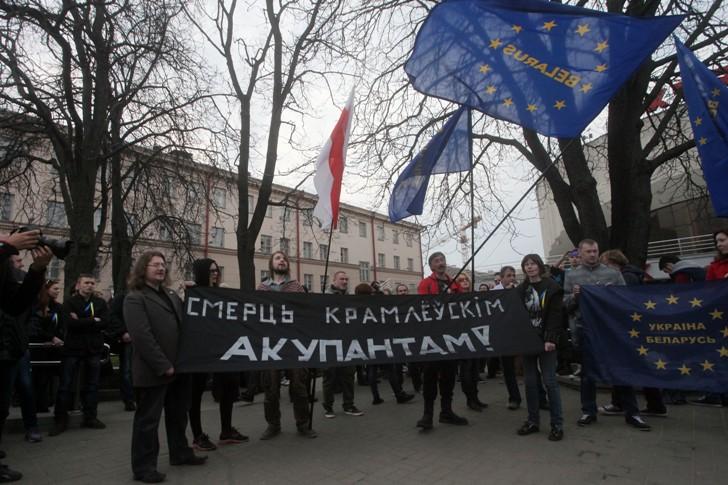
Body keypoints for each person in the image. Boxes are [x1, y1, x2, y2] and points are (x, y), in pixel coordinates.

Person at [125, 251, 207, 483]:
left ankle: (180, 453)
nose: (161, 268)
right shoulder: (135, 297)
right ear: (143, 268)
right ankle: (143, 467)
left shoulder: (170, 294)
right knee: (148, 421)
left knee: (178, 414)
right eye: (155, 265)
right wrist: (163, 365)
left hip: (180, 368)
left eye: (163, 265)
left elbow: (187, 320)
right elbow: (142, 336)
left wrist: (195, 293)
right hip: (155, 370)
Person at [564, 239, 650, 431]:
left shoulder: (613, 273)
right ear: (580, 253)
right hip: (586, 330)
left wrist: (613, 294)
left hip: (612, 331)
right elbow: (565, 305)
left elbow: (626, 301)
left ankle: (633, 413)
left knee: (621, 371)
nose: (592, 255)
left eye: (595, 251)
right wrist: (575, 296)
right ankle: (588, 410)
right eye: (588, 252)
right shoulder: (571, 276)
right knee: (588, 374)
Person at [0, 229, 50, 483]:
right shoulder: (4, 252)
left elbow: (15, 305)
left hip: (8, 348)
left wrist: (37, 271)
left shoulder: (6, 267)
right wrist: (6, 246)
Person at [186, 258, 248, 450]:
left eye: (216, 271)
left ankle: (226, 430)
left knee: (229, 386)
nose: (215, 274)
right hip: (199, 350)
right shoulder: (193, 293)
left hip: (221, 348)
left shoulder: (220, 292)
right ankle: (198, 435)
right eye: (211, 271)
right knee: (196, 392)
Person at [598, 250, 667, 417]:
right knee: (641, 366)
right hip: (633, 329)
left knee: (621, 365)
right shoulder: (634, 275)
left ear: (614, 263)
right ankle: (655, 404)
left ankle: (620, 403)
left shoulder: (626, 278)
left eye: (606, 265)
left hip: (628, 330)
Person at [256, 251, 317, 439]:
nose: (281, 260)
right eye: (277, 258)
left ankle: (303, 424)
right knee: (271, 387)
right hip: (271, 343)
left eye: (284, 258)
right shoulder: (262, 288)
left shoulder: (296, 286)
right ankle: (273, 424)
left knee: (299, 385)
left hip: (294, 343)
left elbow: (305, 313)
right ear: (271, 263)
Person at [49, 274, 109, 435]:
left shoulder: (100, 302)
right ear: (78, 285)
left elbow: (105, 322)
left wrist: (82, 320)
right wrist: (92, 320)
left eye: (92, 283)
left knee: (93, 384)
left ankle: (90, 416)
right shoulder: (69, 303)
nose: (89, 286)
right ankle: (60, 419)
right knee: (65, 384)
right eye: (86, 283)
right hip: (73, 348)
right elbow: (70, 323)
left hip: (94, 349)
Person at [415, 252, 468, 430]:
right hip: (432, 337)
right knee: (430, 378)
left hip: (451, 338)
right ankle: (427, 415)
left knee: (449, 377)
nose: (441, 263)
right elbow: (423, 306)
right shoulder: (426, 283)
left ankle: (446, 412)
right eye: (437, 261)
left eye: (443, 260)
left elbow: (463, 302)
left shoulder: (453, 283)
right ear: (431, 266)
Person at [515, 254, 565, 441]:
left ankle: (557, 425)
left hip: (547, 341)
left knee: (550, 381)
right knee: (530, 383)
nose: (530, 267)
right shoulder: (521, 290)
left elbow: (555, 315)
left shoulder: (552, 287)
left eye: (533, 264)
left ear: (539, 266)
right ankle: (533, 421)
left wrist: (550, 338)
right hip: (528, 342)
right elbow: (516, 316)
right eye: (526, 265)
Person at [1, 256, 41, 443]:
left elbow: (32, 313)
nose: (21, 263)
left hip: (19, 345)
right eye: (17, 260)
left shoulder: (22, 282)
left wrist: (25, 334)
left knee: (25, 386)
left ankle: (32, 426)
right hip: (4, 345)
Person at [356, 282, 414, 407]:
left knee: (371, 368)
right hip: (379, 339)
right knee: (390, 368)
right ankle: (399, 394)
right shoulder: (375, 303)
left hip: (367, 340)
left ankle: (376, 397)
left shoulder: (356, 305)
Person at [689, 230, 728, 407]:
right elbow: (709, 292)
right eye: (717, 241)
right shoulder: (715, 266)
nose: (719, 244)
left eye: (722, 240)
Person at [322, 271, 365, 417]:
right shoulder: (325, 297)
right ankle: (328, 407)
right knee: (330, 377)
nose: (345, 281)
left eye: (347, 279)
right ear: (334, 280)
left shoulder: (351, 298)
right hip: (330, 342)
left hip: (348, 342)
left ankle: (349, 405)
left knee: (348, 376)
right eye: (342, 279)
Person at [29, 280, 65, 414]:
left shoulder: (58, 307)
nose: (57, 291)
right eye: (55, 288)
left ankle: (46, 402)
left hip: (53, 347)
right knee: (39, 378)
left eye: (59, 289)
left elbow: (61, 325)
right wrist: (49, 338)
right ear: (47, 289)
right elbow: (34, 327)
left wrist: (57, 338)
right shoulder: (38, 306)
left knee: (50, 377)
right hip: (39, 347)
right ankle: (38, 404)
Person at [455, 273, 487, 412]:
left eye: (466, 279)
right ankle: (470, 399)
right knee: (466, 369)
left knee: (475, 369)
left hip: (475, 336)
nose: (464, 282)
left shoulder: (475, 296)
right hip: (462, 337)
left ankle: (475, 397)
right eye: (461, 280)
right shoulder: (455, 299)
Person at [108, 289, 135, 412]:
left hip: (140, 339)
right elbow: (112, 317)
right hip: (126, 340)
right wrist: (123, 332)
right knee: (126, 370)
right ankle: (129, 399)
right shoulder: (121, 298)